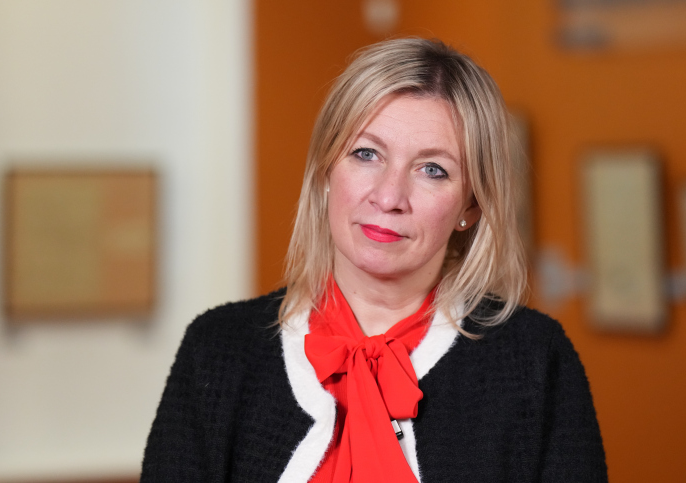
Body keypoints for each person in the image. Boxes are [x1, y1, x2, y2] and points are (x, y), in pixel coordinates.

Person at [141, 37, 607, 482]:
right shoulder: (217, 350)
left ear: (471, 205)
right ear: (326, 172)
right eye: (366, 154)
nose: (388, 197)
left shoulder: (534, 362)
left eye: (432, 170)